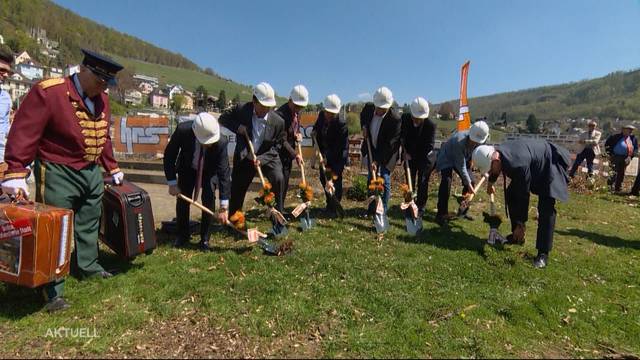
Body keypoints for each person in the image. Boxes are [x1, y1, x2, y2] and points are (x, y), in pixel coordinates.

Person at [1, 49, 124, 312]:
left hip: (91, 171)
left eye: (107, 82)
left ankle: (87, 266)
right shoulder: (50, 91)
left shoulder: (102, 99)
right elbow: (25, 129)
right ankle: (51, 289)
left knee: (90, 221)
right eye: (100, 79)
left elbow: (102, 135)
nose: (104, 86)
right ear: (83, 70)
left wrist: (111, 167)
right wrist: (15, 169)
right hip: (57, 169)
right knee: (54, 229)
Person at [472, 139, 571, 268]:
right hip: (535, 162)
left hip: (551, 163)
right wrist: (490, 183)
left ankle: (543, 254)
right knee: (511, 193)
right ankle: (517, 236)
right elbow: (496, 169)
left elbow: (523, 194)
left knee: (546, 208)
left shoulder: (517, 164)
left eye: (489, 171)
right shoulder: (500, 153)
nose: (490, 173)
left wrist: (521, 223)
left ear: (495, 160)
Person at [218, 82, 286, 221]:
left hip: (268, 156)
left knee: (278, 179)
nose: (266, 110)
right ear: (254, 101)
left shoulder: (278, 122)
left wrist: (263, 158)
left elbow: (277, 146)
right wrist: (238, 127)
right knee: (237, 187)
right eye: (263, 106)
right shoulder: (242, 109)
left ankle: (277, 217)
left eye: (269, 107)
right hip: (245, 157)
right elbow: (223, 118)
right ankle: (235, 219)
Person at [163, 112, 231, 251]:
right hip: (187, 168)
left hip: (208, 172)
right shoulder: (183, 130)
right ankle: (183, 235)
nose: (209, 145)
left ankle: (204, 239)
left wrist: (224, 206)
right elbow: (169, 156)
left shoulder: (221, 141)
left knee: (209, 199)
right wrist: (172, 183)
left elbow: (224, 173)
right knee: (183, 201)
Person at [434, 121, 490, 226]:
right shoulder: (458, 141)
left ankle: (463, 211)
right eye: (473, 141)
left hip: (464, 158)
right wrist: (468, 184)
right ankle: (441, 214)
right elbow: (461, 166)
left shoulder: (482, 139)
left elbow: (482, 157)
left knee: (472, 181)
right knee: (447, 181)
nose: (475, 143)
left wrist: (483, 170)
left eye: (477, 142)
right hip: (447, 157)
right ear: (470, 134)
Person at [360, 86, 401, 212]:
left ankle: (382, 209)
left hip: (387, 153)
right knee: (371, 178)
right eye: (379, 108)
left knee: (383, 177)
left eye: (384, 109)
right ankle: (372, 207)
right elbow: (362, 117)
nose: (380, 111)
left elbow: (390, 145)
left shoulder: (395, 119)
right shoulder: (368, 109)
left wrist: (377, 161)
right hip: (372, 147)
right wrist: (364, 127)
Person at [400, 97, 437, 218]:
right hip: (408, 155)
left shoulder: (430, 126)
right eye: (415, 118)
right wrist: (403, 148)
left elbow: (429, 146)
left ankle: (420, 206)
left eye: (420, 119)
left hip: (424, 157)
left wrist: (412, 155)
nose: (417, 120)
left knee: (422, 181)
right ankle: (408, 203)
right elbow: (401, 135)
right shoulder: (404, 119)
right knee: (409, 181)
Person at [312, 94, 348, 215]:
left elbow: (339, 147)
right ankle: (330, 204)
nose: (329, 116)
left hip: (338, 156)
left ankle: (335, 205)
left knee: (335, 180)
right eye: (328, 112)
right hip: (325, 154)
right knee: (324, 179)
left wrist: (328, 157)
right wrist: (314, 131)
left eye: (332, 114)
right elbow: (317, 126)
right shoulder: (322, 115)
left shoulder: (341, 124)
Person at [275, 85, 307, 205]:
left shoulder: (297, 113)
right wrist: (296, 155)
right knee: (280, 182)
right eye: (297, 106)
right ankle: (278, 208)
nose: (298, 109)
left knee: (286, 180)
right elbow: (282, 140)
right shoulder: (280, 116)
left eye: (301, 107)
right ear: (290, 100)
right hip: (279, 153)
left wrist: (297, 134)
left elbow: (294, 128)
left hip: (289, 154)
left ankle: (280, 207)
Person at [604, 124, 638, 193]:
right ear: (623, 130)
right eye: (629, 129)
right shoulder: (615, 137)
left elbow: (636, 149)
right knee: (613, 172)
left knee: (621, 173)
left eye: (631, 130)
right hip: (615, 156)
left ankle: (618, 188)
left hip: (626, 158)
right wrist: (610, 154)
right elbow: (607, 144)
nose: (631, 131)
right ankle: (609, 187)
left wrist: (631, 157)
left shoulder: (633, 139)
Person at [0, 48, 13, 163]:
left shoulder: (6, 98)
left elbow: (5, 127)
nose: (5, 75)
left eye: (8, 72)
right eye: (2, 70)